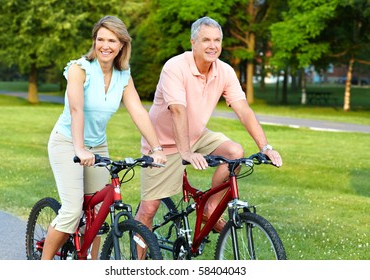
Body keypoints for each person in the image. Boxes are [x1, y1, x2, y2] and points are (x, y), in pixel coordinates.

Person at [135, 16, 282, 234]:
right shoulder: (174, 67)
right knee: (148, 209)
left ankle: (210, 208)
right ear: (193, 43)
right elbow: (177, 109)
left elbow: (243, 110)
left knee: (235, 152)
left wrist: (265, 147)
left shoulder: (224, 71)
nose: (212, 46)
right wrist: (185, 152)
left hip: (196, 135)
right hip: (162, 144)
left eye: (217, 40)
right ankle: (135, 267)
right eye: (206, 40)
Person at [41, 15, 166, 260]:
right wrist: (79, 148)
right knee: (71, 212)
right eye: (101, 39)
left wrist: (157, 147)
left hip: (97, 144)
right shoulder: (79, 70)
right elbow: (77, 110)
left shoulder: (123, 76)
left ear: (122, 45)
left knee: (99, 212)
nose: (105, 45)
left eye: (112, 40)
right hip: (67, 141)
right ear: (94, 41)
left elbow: (138, 112)